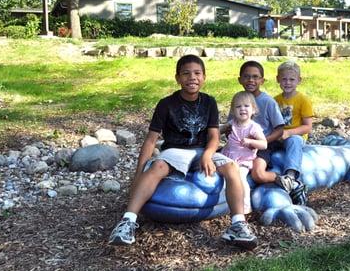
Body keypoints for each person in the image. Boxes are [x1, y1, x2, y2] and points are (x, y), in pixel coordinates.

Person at [108, 54, 258, 250]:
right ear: (178, 78)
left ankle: (238, 224)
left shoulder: (209, 102)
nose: (192, 78)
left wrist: (207, 154)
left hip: (203, 150)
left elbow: (214, 136)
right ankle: (127, 222)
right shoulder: (166, 104)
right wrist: (139, 173)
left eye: (197, 73)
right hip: (175, 151)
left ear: (204, 77)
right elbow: (151, 140)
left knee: (231, 167)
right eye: (186, 74)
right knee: (158, 166)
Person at [235, 60, 307, 205]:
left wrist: (263, 142)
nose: (251, 80)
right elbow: (232, 124)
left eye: (255, 77)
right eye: (247, 76)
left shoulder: (268, 101)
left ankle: (290, 180)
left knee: (258, 174)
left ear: (262, 80)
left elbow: (280, 128)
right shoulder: (239, 99)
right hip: (241, 145)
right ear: (239, 79)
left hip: (264, 145)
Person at [273, 60, 314, 205]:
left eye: (292, 79)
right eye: (284, 79)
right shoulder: (275, 100)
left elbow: (307, 127)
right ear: (278, 79)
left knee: (294, 141)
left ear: (299, 80)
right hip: (279, 135)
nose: (288, 82)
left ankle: (291, 177)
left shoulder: (303, 100)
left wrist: (289, 134)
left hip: (296, 136)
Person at [220, 91, 267, 214]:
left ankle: (246, 207)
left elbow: (264, 144)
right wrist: (215, 130)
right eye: (238, 106)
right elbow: (221, 129)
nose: (242, 109)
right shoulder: (233, 123)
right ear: (233, 110)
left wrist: (251, 141)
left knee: (240, 179)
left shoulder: (253, 127)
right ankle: (223, 202)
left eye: (246, 106)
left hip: (243, 161)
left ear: (254, 109)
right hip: (228, 156)